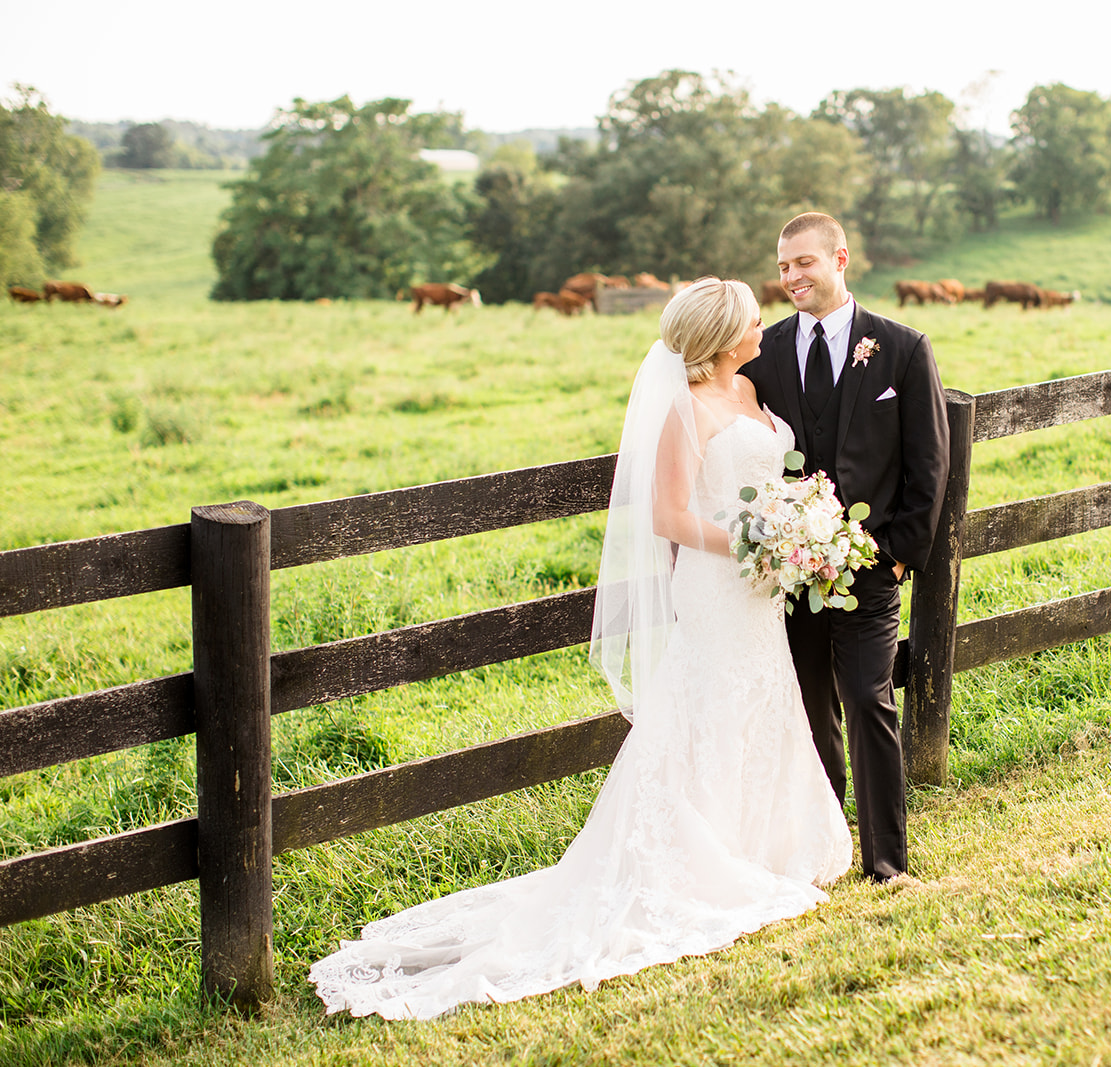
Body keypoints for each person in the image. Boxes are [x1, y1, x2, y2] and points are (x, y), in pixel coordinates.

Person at [308, 278, 852, 1020]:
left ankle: (762, 841)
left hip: (760, 586)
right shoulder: (684, 409)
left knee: (760, 693)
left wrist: (793, 530)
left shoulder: (754, 387)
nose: (767, 324)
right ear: (726, 337)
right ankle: (703, 855)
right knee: (711, 700)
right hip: (721, 579)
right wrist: (757, 544)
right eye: (756, 319)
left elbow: (767, 475)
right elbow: (667, 513)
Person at [739, 213, 950, 883]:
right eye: (782, 267)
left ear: (839, 257)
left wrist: (896, 554)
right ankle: (823, 849)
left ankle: (887, 859)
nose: (792, 276)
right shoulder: (762, 353)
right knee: (809, 706)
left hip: (869, 565)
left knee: (867, 696)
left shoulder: (902, 349)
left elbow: (930, 465)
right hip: (791, 572)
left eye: (804, 262)